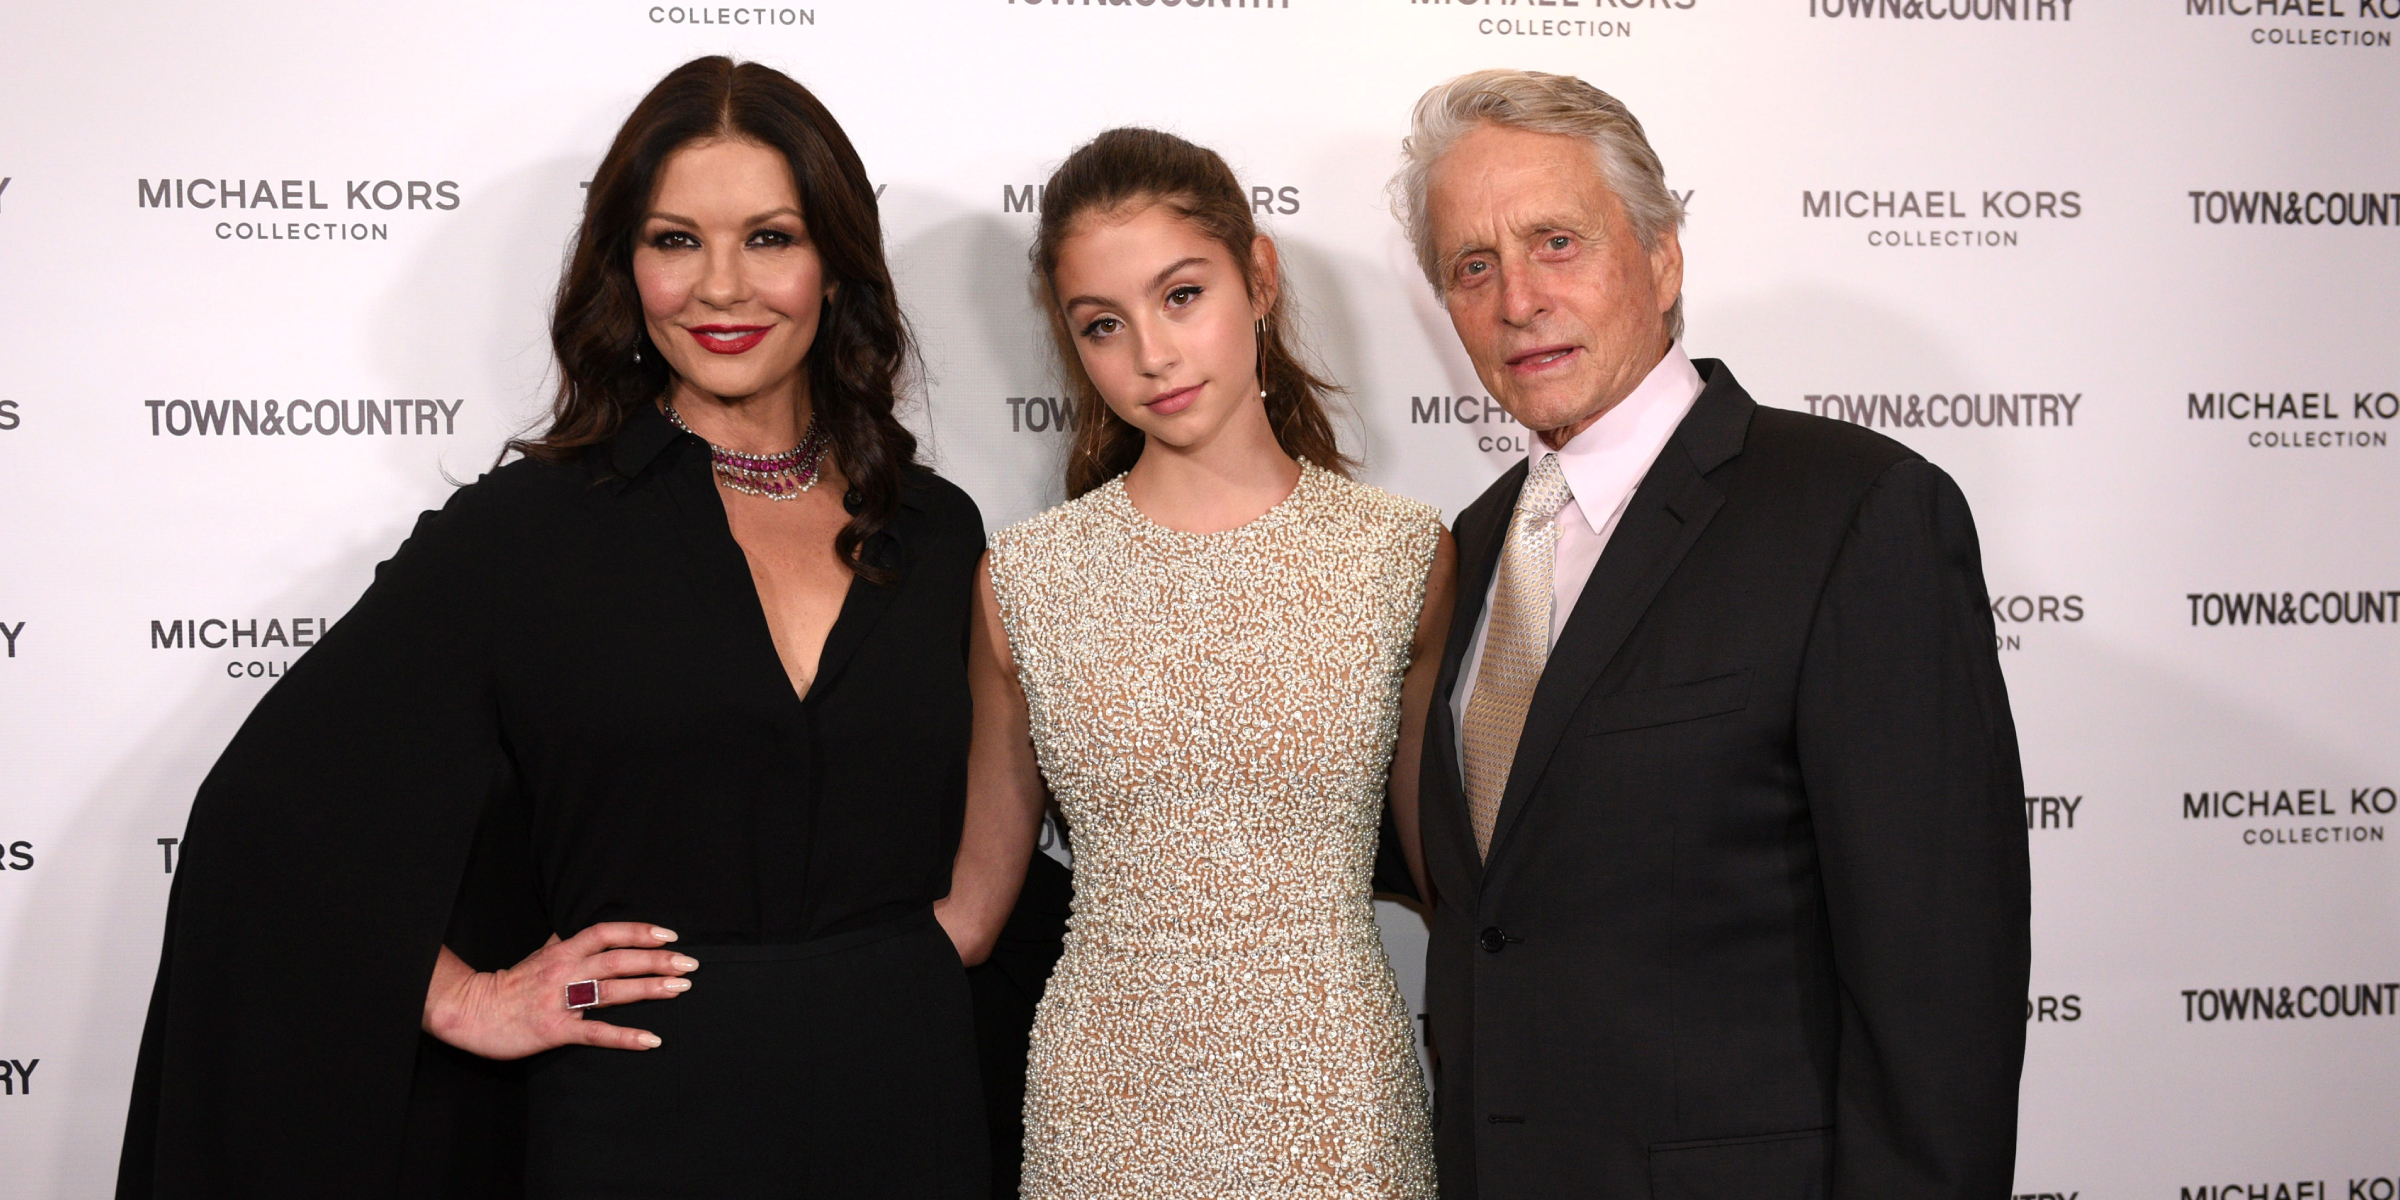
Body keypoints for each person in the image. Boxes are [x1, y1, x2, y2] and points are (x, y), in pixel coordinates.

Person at [119, 57, 990, 1198]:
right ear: (625, 268)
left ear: (835, 260)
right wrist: (464, 997)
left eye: (770, 237)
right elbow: (267, 823)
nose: (721, 286)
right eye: (676, 240)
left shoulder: (935, 530)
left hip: (904, 1108)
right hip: (638, 1126)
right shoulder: (526, 534)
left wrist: (944, 948)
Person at [1390, 70, 2031, 1197]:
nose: (1518, 301)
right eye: (1473, 266)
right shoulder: (1474, 546)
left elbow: (1938, 995)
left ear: (1663, 256)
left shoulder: (1854, 514)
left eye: (1556, 242)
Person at [935, 128, 1454, 1198]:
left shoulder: (1401, 556)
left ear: (1257, 277)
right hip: (1104, 1109)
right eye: (1103, 326)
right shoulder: (1026, 581)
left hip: (1336, 1104)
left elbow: (1450, 879)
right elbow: (972, 914)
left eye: (1182, 296)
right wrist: (743, 992)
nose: (1153, 356)